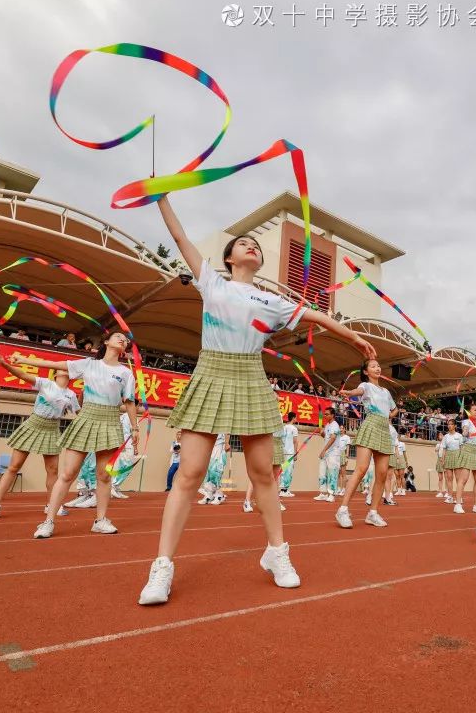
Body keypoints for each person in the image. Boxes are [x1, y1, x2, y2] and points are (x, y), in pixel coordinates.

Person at [139, 196, 375, 605]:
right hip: (211, 372)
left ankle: (277, 554)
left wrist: (351, 336)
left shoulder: (274, 301)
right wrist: (162, 198)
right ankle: (162, 567)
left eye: (257, 245)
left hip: (250, 375)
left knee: (264, 473)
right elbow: (178, 236)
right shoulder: (211, 281)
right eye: (243, 243)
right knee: (190, 473)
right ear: (229, 258)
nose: (251, 247)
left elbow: (318, 317)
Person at [22, 332, 139, 539]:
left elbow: (129, 402)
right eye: (118, 336)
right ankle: (48, 521)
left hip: (110, 421)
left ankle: (100, 520)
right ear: (106, 342)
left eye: (125, 339)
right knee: (68, 474)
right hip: (87, 417)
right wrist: (22, 359)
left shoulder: (125, 373)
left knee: (104, 476)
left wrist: (135, 428)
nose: (123, 340)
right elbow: (55, 364)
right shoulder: (88, 364)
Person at [0, 355, 80, 520]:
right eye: (60, 367)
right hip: (34, 424)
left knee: (52, 471)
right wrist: (4, 364)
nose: (64, 369)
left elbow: (80, 413)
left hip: (52, 429)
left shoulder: (71, 395)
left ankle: (51, 504)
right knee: (14, 467)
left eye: (67, 368)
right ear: (55, 373)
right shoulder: (45, 383)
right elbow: (21, 374)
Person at [334, 359, 397, 528]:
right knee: (361, 469)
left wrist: (390, 415)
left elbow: (394, 409)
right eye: (373, 366)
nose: (377, 368)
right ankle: (342, 509)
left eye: (378, 365)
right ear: (366, 372)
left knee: (382, 474)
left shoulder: (386, 391)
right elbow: (358, 390)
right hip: (370, 425)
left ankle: (373, 513)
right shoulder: (366, 386)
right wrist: (349, 392)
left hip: (384, 429)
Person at [455, 404, 476, 514]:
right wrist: (464, 433)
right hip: (467, 450)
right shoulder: (466, 422)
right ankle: (458, 504)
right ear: (469, 412)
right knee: (463, 479)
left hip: (475, 452)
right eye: (474, 410)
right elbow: (464, 432)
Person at [314, 407, 342, 502]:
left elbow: (333, 438)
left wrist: (324, 450)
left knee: (332, 473)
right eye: (324, 414)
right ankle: (323, 493)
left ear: (332, 415)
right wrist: (321, 431)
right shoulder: (327, 425)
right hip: (326, 453)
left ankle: (331, 494)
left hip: (333, 453)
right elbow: (325, 436)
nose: (325, 416)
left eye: (327, 414)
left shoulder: (335, 425)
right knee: (322, 472)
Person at [198, 434, 230, 505]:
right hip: (210, 444)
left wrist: (227, 443)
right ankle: (209, 495)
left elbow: (227, 429)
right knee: (208, 471)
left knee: (215, 471)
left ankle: (219, 495)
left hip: (219, 445)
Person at [441, 418, 464, 504]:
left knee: (458, 479)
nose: (449, 426)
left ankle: (459, 497)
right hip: (448, 456)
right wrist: (443, 459)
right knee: (449, 478)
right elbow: (444, 449)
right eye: (448, 424)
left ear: (455, 426)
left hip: (457, 455)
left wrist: (461, 458)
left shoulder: (459, 436)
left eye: (451, 424)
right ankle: (450, 497)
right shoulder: (445, 437)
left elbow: (461, 448)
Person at [278, 412, 298, 497]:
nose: (296, 419)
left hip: (283, 452)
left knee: (283, 470)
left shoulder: (283, 427)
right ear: (293, 418)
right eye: (296, 417)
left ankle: (283, 489)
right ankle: (285, 490)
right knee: (288, 471)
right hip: (290, 453)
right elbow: (295, 441)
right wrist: (295, 453)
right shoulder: (294, 428)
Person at [337, 426, 352, 495]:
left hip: (343, 454)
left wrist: (347, 456)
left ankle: (344, 489)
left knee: (343, 473)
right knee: (338, 473)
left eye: (342, 428)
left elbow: (348, 447)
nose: (341, 429)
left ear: (344, 429)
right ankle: (339, 488)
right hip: (337, 454)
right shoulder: (337, 437)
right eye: (340, 428)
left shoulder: (347, 437)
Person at [434, 431, 446, 497]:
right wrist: (438, 446)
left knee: (447, 477)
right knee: (440, 477)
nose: (440, 436)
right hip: (439, 459)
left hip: (445, 460)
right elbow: (436, 450)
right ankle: (440, 492)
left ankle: (447, 492)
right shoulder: (438, 444)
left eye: (441, 435)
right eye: (439, 435)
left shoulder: (446, 444)